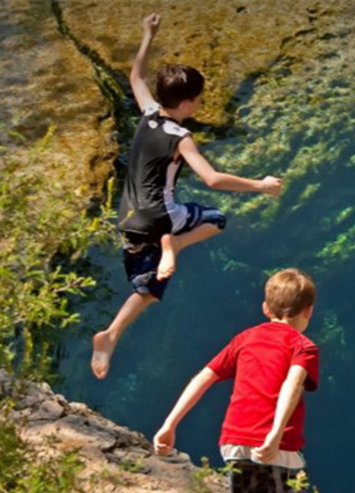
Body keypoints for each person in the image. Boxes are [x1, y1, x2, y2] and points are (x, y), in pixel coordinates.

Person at [91, 13, 283, 379]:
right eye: (197, 100)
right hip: (161, 216)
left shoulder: (148, 114)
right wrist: (261, 185)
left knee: (148, 286)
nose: (198, 105)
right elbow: (211, 179)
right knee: (216, 220)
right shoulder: (181, 137)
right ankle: (173, 246)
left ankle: (111, 334)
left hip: (128, 218)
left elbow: (135, 77)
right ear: (188, 101)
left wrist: (147, 35)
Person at [153, 268, 332, 493]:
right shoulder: (304, 347)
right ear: (309, 311)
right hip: (279, 446)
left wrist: (169, 424)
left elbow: (204, 377)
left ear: (265, 308)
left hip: (233, 440)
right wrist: (275, 434)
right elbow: (292, 384)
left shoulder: (245, 339)